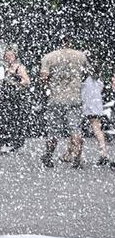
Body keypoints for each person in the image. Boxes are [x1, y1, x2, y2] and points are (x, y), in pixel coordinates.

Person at [40, 36, 88, 168]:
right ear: (70, 41)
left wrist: (50, 86)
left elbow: (44, 77)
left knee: (53, 131)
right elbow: (86, 73)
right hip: (74, 98)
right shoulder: (81, 56)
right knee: (76, 130)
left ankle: (49, 156)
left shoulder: (49, 57)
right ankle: (77, 160)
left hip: (56, 98)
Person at [0, 46, 31, 152]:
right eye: (7, 56)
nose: (8, 58)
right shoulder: (4, 69)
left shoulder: (20, 67)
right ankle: (4, 142)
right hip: (4, 99)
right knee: (3, 121)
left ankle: (14, 144)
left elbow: (27, 81)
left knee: (14, 120)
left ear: (15, 56)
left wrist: (14, 83)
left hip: (15, 99)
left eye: (11, 55)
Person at [82, 65, 110, 166]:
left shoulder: (85, 80)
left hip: (86, 106)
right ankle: (104, 152)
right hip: (97, 106)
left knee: (76, 130)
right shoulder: (99, 81)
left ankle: (76, 155)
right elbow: (101, 90)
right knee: (97, 129)